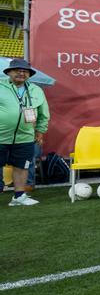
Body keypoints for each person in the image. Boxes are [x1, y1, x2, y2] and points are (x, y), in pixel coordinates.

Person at [2, 59, 49, 206]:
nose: (21, 73)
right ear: (9, 72)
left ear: (29, 74)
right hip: (1, 136)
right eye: (17, 70)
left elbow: (43, 113)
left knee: (22, 166)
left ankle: (19, 196)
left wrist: (40, 131)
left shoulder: (36, 90)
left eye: (25, 71)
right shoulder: (1, 86)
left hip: (25, 137)